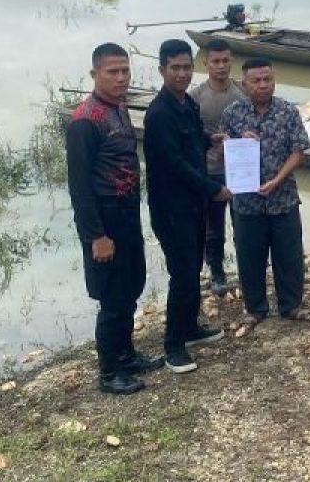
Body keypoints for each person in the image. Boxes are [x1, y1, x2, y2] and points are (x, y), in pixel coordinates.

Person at [66, 42, 161, 395]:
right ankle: (108, 373)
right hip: (104, 220)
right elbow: (79, 187)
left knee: (131, 286)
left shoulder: (117, 108)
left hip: (126, 214)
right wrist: (96, 236)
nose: (121, 78)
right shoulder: (84, 122)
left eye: (125, 71)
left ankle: (127, 355)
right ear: (95, 75)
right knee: (112, 299)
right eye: (112, 72)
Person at [143, 39, 231, 374]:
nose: (181, 74)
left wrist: (212, 140)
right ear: (162, 70)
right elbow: (175, 164)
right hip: (172, 209)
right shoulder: (159, 113)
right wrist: (214, 189)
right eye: (175, 68)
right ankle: (173, 346)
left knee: (193, 268)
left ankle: (191, 328)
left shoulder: (187, 105)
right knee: (182, 275)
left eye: (185, 67)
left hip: (193, 206)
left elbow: (194, 140)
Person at [219, 57, 310, 325]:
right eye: (256, 81)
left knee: (290, 255)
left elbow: (298, 152)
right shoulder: (232, 114)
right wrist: (233, 143)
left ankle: (291, 306)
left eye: (267, 80)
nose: (263, 85)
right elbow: (222, 153)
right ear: (244, 84)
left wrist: (277, 179)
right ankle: (255, 309)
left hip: (283, 198)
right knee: (250, 257)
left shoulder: (287, 111)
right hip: (246, 202)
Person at [189, 38, 247, 296]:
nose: (221, 66)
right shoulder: (195, 97)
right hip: (210, 172)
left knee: (243, 224)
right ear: (206, 63)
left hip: (240, 172)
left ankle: (247, 271)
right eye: (216, 61)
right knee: (213, 227)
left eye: (225, 61)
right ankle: (217, 273)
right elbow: (189, 137)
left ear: (231, 61)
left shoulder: (242, 94)